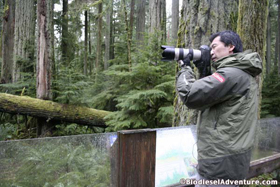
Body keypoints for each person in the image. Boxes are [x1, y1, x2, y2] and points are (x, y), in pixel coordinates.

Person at [176, 30, 262, 186]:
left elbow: (190, 95)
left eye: (215, 47)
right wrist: (204, 71)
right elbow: (210, 101)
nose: (211, 52)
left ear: (230, 47)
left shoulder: (231, 75)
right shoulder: (242, 73)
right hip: (230, 160)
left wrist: (185, 68)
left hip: (220, 165)